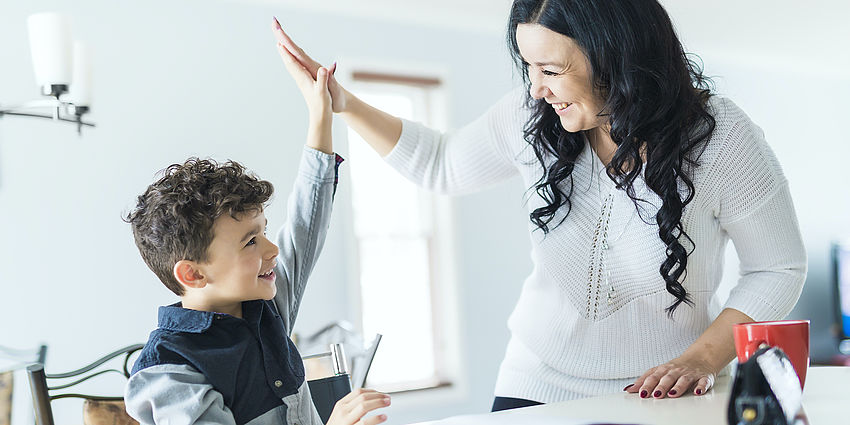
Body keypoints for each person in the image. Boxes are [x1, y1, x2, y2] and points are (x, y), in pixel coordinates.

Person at [272, 0, 807, 412]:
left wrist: (702, 357)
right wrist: (342, 103)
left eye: (551, 70)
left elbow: (777, 267)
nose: (536, 89)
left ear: (615, 58)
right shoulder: (531, 122)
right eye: (528, 67)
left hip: (666, 392)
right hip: (536, 382)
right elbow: (440, 163)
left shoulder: (719, 138)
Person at [122, 30, 390, 425]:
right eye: (250, 241)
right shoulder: (167, 370)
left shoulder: (264, 307)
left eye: (263, 230)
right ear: (193, 273)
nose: (272, 248)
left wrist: (320, 113)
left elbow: (305, 224)